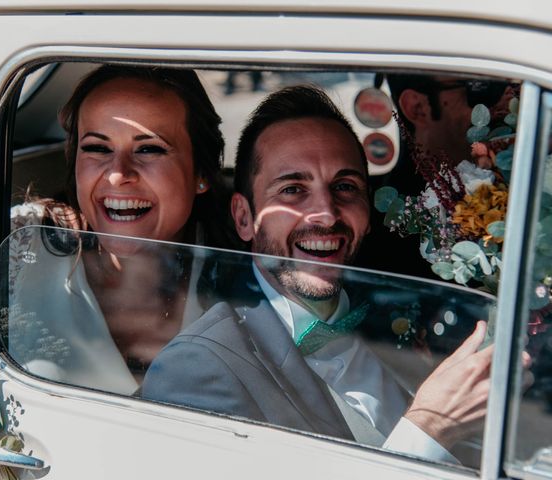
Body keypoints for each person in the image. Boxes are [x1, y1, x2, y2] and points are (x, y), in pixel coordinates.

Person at [141, 85, 529, 464]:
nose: (326, 214)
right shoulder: (197, 368)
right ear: (244, 218)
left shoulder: (399, 314)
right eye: (293, 189)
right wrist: (429, 429)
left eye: (345, 187)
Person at [0, 65, 230, 394]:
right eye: (97, 148)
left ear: (201, 172)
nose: (118, 174)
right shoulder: (22, 240)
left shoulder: (243, 268)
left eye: (149, 148)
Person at [358, 74, 513, 277]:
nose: (509, 99)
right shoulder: (383, 238)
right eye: (482, 88)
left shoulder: (525, 182)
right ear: (418, 107)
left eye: (512, 87)